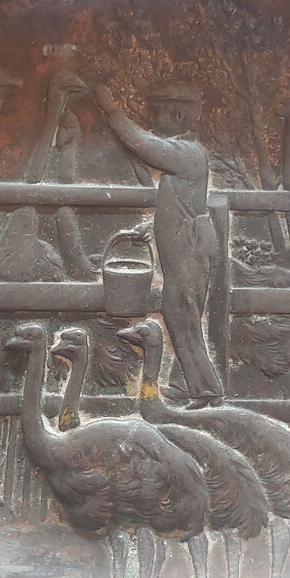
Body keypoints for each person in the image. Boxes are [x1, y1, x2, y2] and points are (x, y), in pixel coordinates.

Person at [92, 80, 223, 407]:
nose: (152, 118)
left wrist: (111, 110)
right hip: (183, 253)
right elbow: (183, 205)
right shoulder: (183, 157)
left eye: (158, 111)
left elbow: (142, 144)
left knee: (183, 317)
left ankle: (205, 389)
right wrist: (153, 226)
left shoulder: (188, 154)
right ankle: (192, 385)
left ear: (178, 115)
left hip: (187, 257)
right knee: (180, 316)